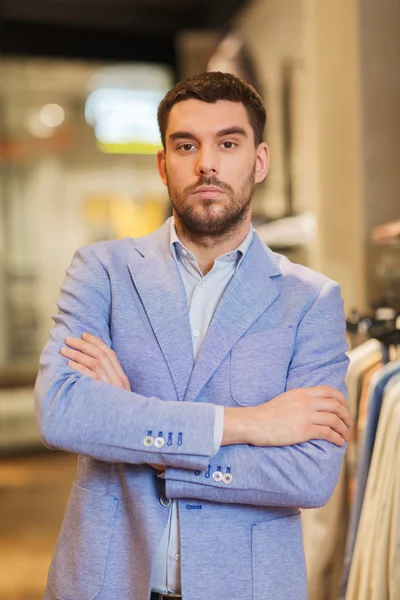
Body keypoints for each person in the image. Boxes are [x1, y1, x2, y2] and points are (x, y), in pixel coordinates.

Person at [34, 71, 351, 600]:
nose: (207, 162)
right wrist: (250, 424)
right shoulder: (102, 272)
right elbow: (63, 411)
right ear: (164, 164)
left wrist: (146, 441)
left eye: (228, 143)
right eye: (187, 145)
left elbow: (309, 475)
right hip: (105, 581)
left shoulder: (311, 300)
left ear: (260, 160)